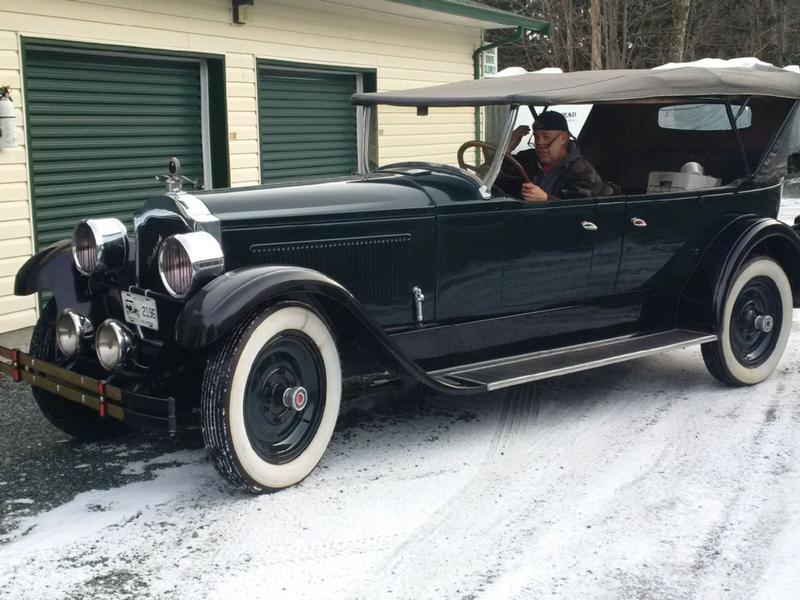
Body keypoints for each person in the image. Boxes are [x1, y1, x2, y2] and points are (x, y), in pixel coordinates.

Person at [498, 110, 604, 202]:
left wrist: (547, 199)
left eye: (546, 137)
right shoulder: (527, 159)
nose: (540, 143)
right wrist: (506, 150)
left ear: (563, 138)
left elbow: (583, 209)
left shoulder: (583, 172)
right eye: (536, 137)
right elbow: (494, 181)